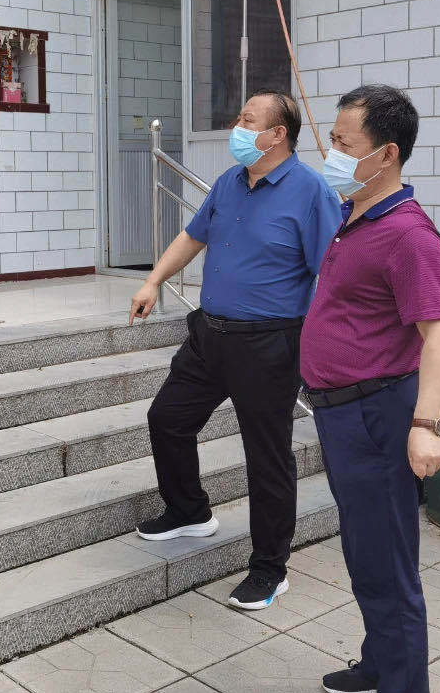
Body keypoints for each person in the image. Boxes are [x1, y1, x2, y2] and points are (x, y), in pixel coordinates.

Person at [129, 90, 342, 610]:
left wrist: (322, 345)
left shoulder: (311, 192)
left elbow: (333, 274)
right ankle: (189, 511)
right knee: (168, 418)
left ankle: (270, 568)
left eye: (248, 120)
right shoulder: (229, 182)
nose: (237, 127)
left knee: (266, 457)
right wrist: (154, 280)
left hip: (269, 343)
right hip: (209, 334)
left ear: (277, 135)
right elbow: (193, 236)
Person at [298, 84, 440, 693]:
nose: (332, 153)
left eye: (344, 144)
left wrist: (428, 425)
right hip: (342, 413)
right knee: (365, 550)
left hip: (377, 414)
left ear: (386, 153)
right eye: (332, 140)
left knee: (388, 563)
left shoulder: (409, 236)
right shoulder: (356, 215)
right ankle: (379, 662)